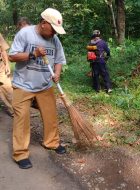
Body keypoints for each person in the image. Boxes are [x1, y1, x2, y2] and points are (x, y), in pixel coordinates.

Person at [9, 8, 67, 169]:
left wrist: (56, 73)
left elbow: (59, 59)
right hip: (23, 85)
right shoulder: (25, 34)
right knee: (22, 119)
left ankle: (52, 142)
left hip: (45, 85)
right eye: (53, 29)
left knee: (51, 116)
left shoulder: (54, 40)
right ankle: (20, 153)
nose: (54, 33)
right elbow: (12, 56)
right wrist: (33, 54)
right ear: (43, 24)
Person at [0, 33, 13, 116]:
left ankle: (15, 112)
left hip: (1, 67)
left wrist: (7, 64)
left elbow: (3, 49)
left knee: (8, 89)